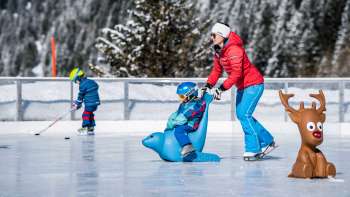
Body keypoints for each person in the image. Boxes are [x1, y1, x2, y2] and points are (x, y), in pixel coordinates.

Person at [201, 22, 277, 161]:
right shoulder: (219, 50)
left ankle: (253, 149)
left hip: (254, 84)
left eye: (214, 35)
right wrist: (208, 85)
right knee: (242, 114)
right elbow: (216, 71)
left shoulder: (234, 50)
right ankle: (267, 140)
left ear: (222, 35)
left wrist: (221, 89)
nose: (211, 38)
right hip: (242, 86)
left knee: (244, 115)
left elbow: (236, 74)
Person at [165, 82, 207, 161]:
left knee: (179, 130)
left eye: (181, 96)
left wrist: (182, 117)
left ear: (190, 94)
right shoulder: (184, 103)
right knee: (174, 128)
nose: (180, 99)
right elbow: (179, 112)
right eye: (179, 96)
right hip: (185, 122)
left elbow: (192, 112)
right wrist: (172, 118)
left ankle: (188, 146)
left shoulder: (198, 103)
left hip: (191, 124)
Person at [69, 68, 100, 135]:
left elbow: (81, 95)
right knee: (90, 114)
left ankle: (85, 128)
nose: (76, 83)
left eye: (75, 81)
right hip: (96, 103)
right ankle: (91, 128)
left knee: (85, 114)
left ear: (78, 78)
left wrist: (77, 103)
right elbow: (96, 86)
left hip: (90, 103)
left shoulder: (82, 85)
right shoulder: (90, 81)